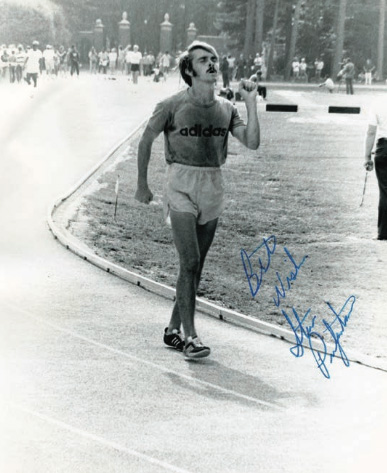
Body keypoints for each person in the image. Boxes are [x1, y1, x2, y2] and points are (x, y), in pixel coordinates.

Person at [134, 41, 260, 359]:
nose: (212, 64)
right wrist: (142, 184)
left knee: (196, 266)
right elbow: (146, 140)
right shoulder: (170, 105)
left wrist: (251, 104)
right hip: (180, 184)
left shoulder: (227, 109)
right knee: (189, 262)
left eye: (214, 59)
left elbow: (253, 142)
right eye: (204, 60)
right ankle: (191, 337)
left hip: (212, 184)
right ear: (190, 70)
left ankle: (172, 330)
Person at [364, 101, 387, 240]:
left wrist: (367, 157)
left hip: (384, 148)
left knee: (385, 191)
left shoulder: (378, 104)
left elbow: (371, 131)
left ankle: (383, 232)